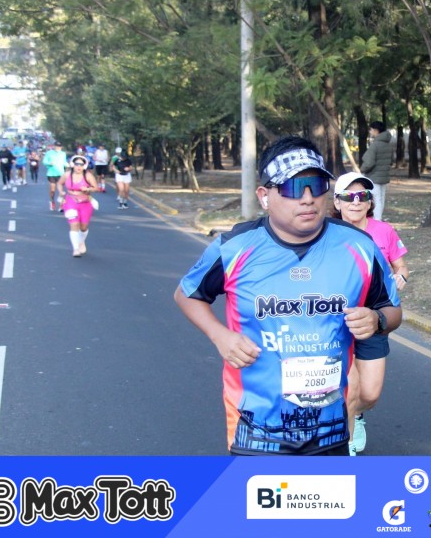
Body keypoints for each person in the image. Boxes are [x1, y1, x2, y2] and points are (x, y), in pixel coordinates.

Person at [174, 135, 402, 456]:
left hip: (331, 429)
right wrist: (220, 336)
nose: (307, 199)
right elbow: (187, 294)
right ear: (264, 196)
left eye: (317, 186)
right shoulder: (234, 248)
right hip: (255, 429)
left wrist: (377, 320)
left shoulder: (360, 246)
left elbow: (392, 310)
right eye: (293, 188)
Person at [331, 172, 409, 455]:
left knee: (369, 394)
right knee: (349, 389)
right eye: (349, 196)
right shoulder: (325, 233)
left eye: (362, 196)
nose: (356, 201)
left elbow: (401, 266)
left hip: (374, 315)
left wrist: (400, 277)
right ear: (337, 202)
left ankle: (357, 414)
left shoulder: (383, 231)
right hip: (337, 318)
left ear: (369, 202)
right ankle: (345, 444)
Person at [57, 155, 98, 257]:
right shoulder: (67, 175)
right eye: (77, 164)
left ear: (84, 166)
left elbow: (95, 188)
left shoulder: (88, 175)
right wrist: (61, 192)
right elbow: (59, 183)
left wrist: (88, 189)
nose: (79, 167)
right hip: (71, 201)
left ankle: (81, 241)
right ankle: (75, 249)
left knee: (83, 227)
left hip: (85, 202)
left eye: (81, 164)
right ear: (72, 165)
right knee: (74, 224)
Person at [359, 121, 394, 221]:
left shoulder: (375, 145)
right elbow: (391, 161)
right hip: (384, 177)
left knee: (375, 200)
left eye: (371, 130)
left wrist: (362, 170)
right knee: (381, 200)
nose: (370, 132)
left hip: (374, 177)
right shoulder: (388, 145)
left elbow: (369, 163)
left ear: (376, 130)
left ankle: (377, 221)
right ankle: (379, 220)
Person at [42, 142, 68, 211]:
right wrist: (49, 163)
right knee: (52, 190)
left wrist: (68, 165)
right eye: (56, 146)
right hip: (51, 173)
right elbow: (44, 161)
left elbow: (64, 162)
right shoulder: (49, 153)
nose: (58, 148)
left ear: (61, 147)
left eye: (59, 147)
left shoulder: (63, 154)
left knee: (61, 190)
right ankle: (52, 201)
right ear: (54, 146)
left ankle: (61, 205)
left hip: (61, 173)